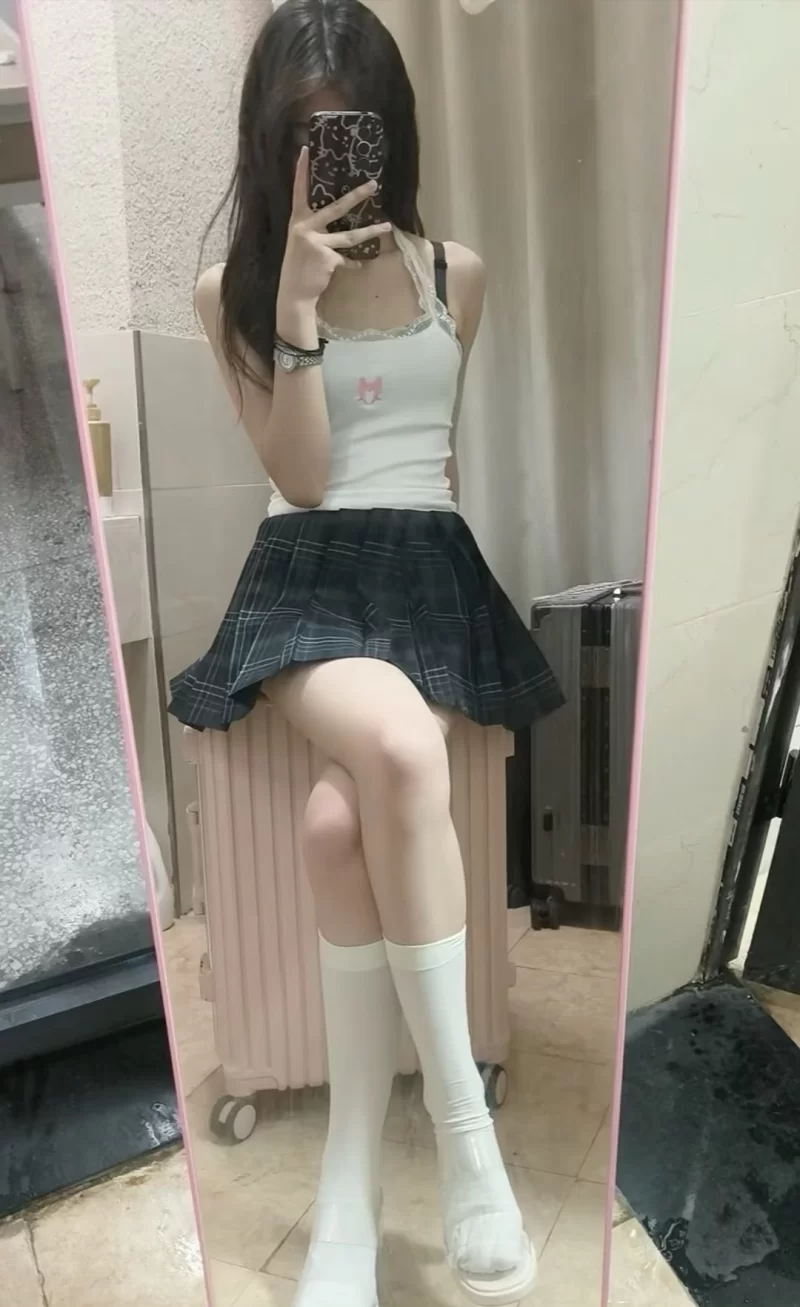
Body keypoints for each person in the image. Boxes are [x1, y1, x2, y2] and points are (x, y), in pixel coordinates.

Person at [169, 2, 563, 1303]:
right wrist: (292, 306)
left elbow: (428, 459)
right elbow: (302, 475)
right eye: (305, 140)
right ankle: (461, 1138)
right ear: (268, 148)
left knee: (342, 825)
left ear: (393, 134)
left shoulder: (460, 275)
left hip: (425, 567)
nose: (332, 162)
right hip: (307, 570)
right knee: (396, 743)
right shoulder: (229, 296)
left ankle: (349, 1177)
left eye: (354, 134)